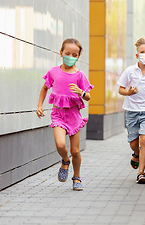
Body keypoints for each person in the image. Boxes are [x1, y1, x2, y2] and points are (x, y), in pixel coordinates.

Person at [36, 38, 93, 191]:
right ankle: (65, 160)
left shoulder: (80, 75)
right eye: (67, 53)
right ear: (61, 53)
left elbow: (88, 97)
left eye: (74, 54)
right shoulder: (53, 72)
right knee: (61, 145)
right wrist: (40, 105)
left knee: (75, 150)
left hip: (74, 116)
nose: (70, 56)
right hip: (58, 114)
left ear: (78, 56)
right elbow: (44, 88)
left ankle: (77, 177)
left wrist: (82, 93)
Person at [117, 37, 145, 184]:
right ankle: (136, 153)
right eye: (142, 51)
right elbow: (120, 89)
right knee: (133, 142)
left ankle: (141, 173)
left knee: (144, 139)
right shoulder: (130, 71)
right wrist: (129, 93)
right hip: (131, 111)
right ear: (137, 55)